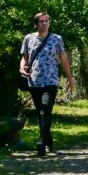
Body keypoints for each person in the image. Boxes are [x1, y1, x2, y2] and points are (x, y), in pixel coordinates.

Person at [20, 12, 75, 156]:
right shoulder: (28, 38)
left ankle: (41, 142)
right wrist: (22, 67)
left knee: (45, 110)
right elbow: (24, 59)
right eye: (41, 21)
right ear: (36, 24)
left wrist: (70, 78)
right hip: (34, 81)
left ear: (49, 23)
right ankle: (49, 141)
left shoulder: (57, 39)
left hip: (50, 81)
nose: (44, 24)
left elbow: (63, 60)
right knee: (41, 113)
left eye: (46, 21)